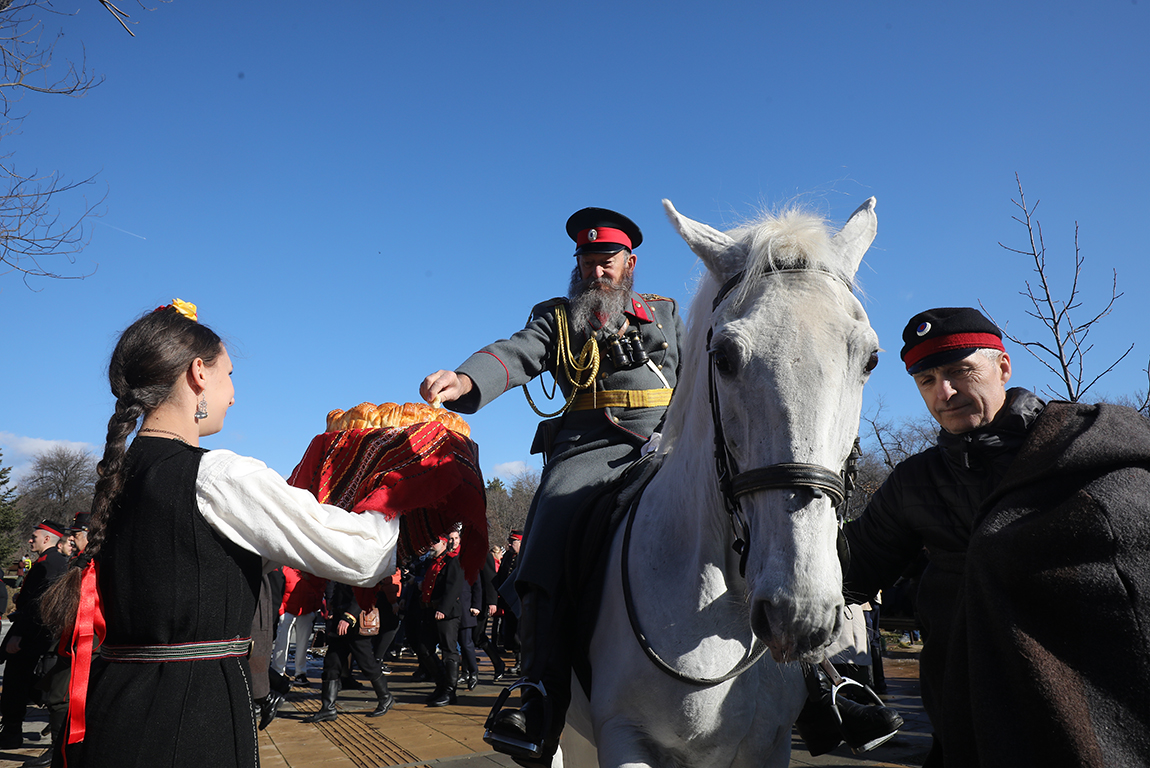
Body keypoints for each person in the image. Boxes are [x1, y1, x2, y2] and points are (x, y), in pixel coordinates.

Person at [38, 300, 401, 768]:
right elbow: (362, 554)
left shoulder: (123, 474)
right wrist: (400, 489)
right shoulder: (217, 476)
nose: (234, 395)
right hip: (192, 714)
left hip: (117, 706)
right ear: (198, 374)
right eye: (229, 375)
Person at [421, 207, 684, 765]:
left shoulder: (666, 315)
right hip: (591, 450)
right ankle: (538, 693)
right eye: (587, 262)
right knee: (545, 535)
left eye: (607, 262)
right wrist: (468, 377)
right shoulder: (558, 319)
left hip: (671, 440)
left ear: (629, 264)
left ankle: (821, 680)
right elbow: (517, 353)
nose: (596, 272)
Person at [843, 306, 1150, 766]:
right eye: (926, 381)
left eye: (958, 372)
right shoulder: (912, 484)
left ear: (1002, 367)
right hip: (967, 723)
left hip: (1101, 719)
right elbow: (848, 570)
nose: (944, 393)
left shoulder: (1086, 448)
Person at [0, 519, 68, 749]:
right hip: (34, 631)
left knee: (14, 682)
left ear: (47, 539)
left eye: (34, 536)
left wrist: (20, 634)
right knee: (21, 681)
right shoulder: (52, 561)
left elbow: (38, 606)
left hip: (32, 632)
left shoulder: (49, 564)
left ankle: (12, 731)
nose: (30, 540)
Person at [303, 579, 393, 723]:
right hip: (340, 620)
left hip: (354, 623)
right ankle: (328, 708)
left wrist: (349, 616)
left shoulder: (361, 565)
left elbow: (364, 593)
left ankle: (385, 697)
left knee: (367, 664)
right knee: (331, 664)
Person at [414, 532, 464, 707]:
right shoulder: (432, 562)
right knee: (423, 649)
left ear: (444, 544)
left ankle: (450, 692)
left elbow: (454, 587)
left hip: (446, 613)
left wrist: (443, 608)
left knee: (449, 652)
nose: (431, 545)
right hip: (430, 611)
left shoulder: (452, 561)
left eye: (434, 542)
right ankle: (441, 685)